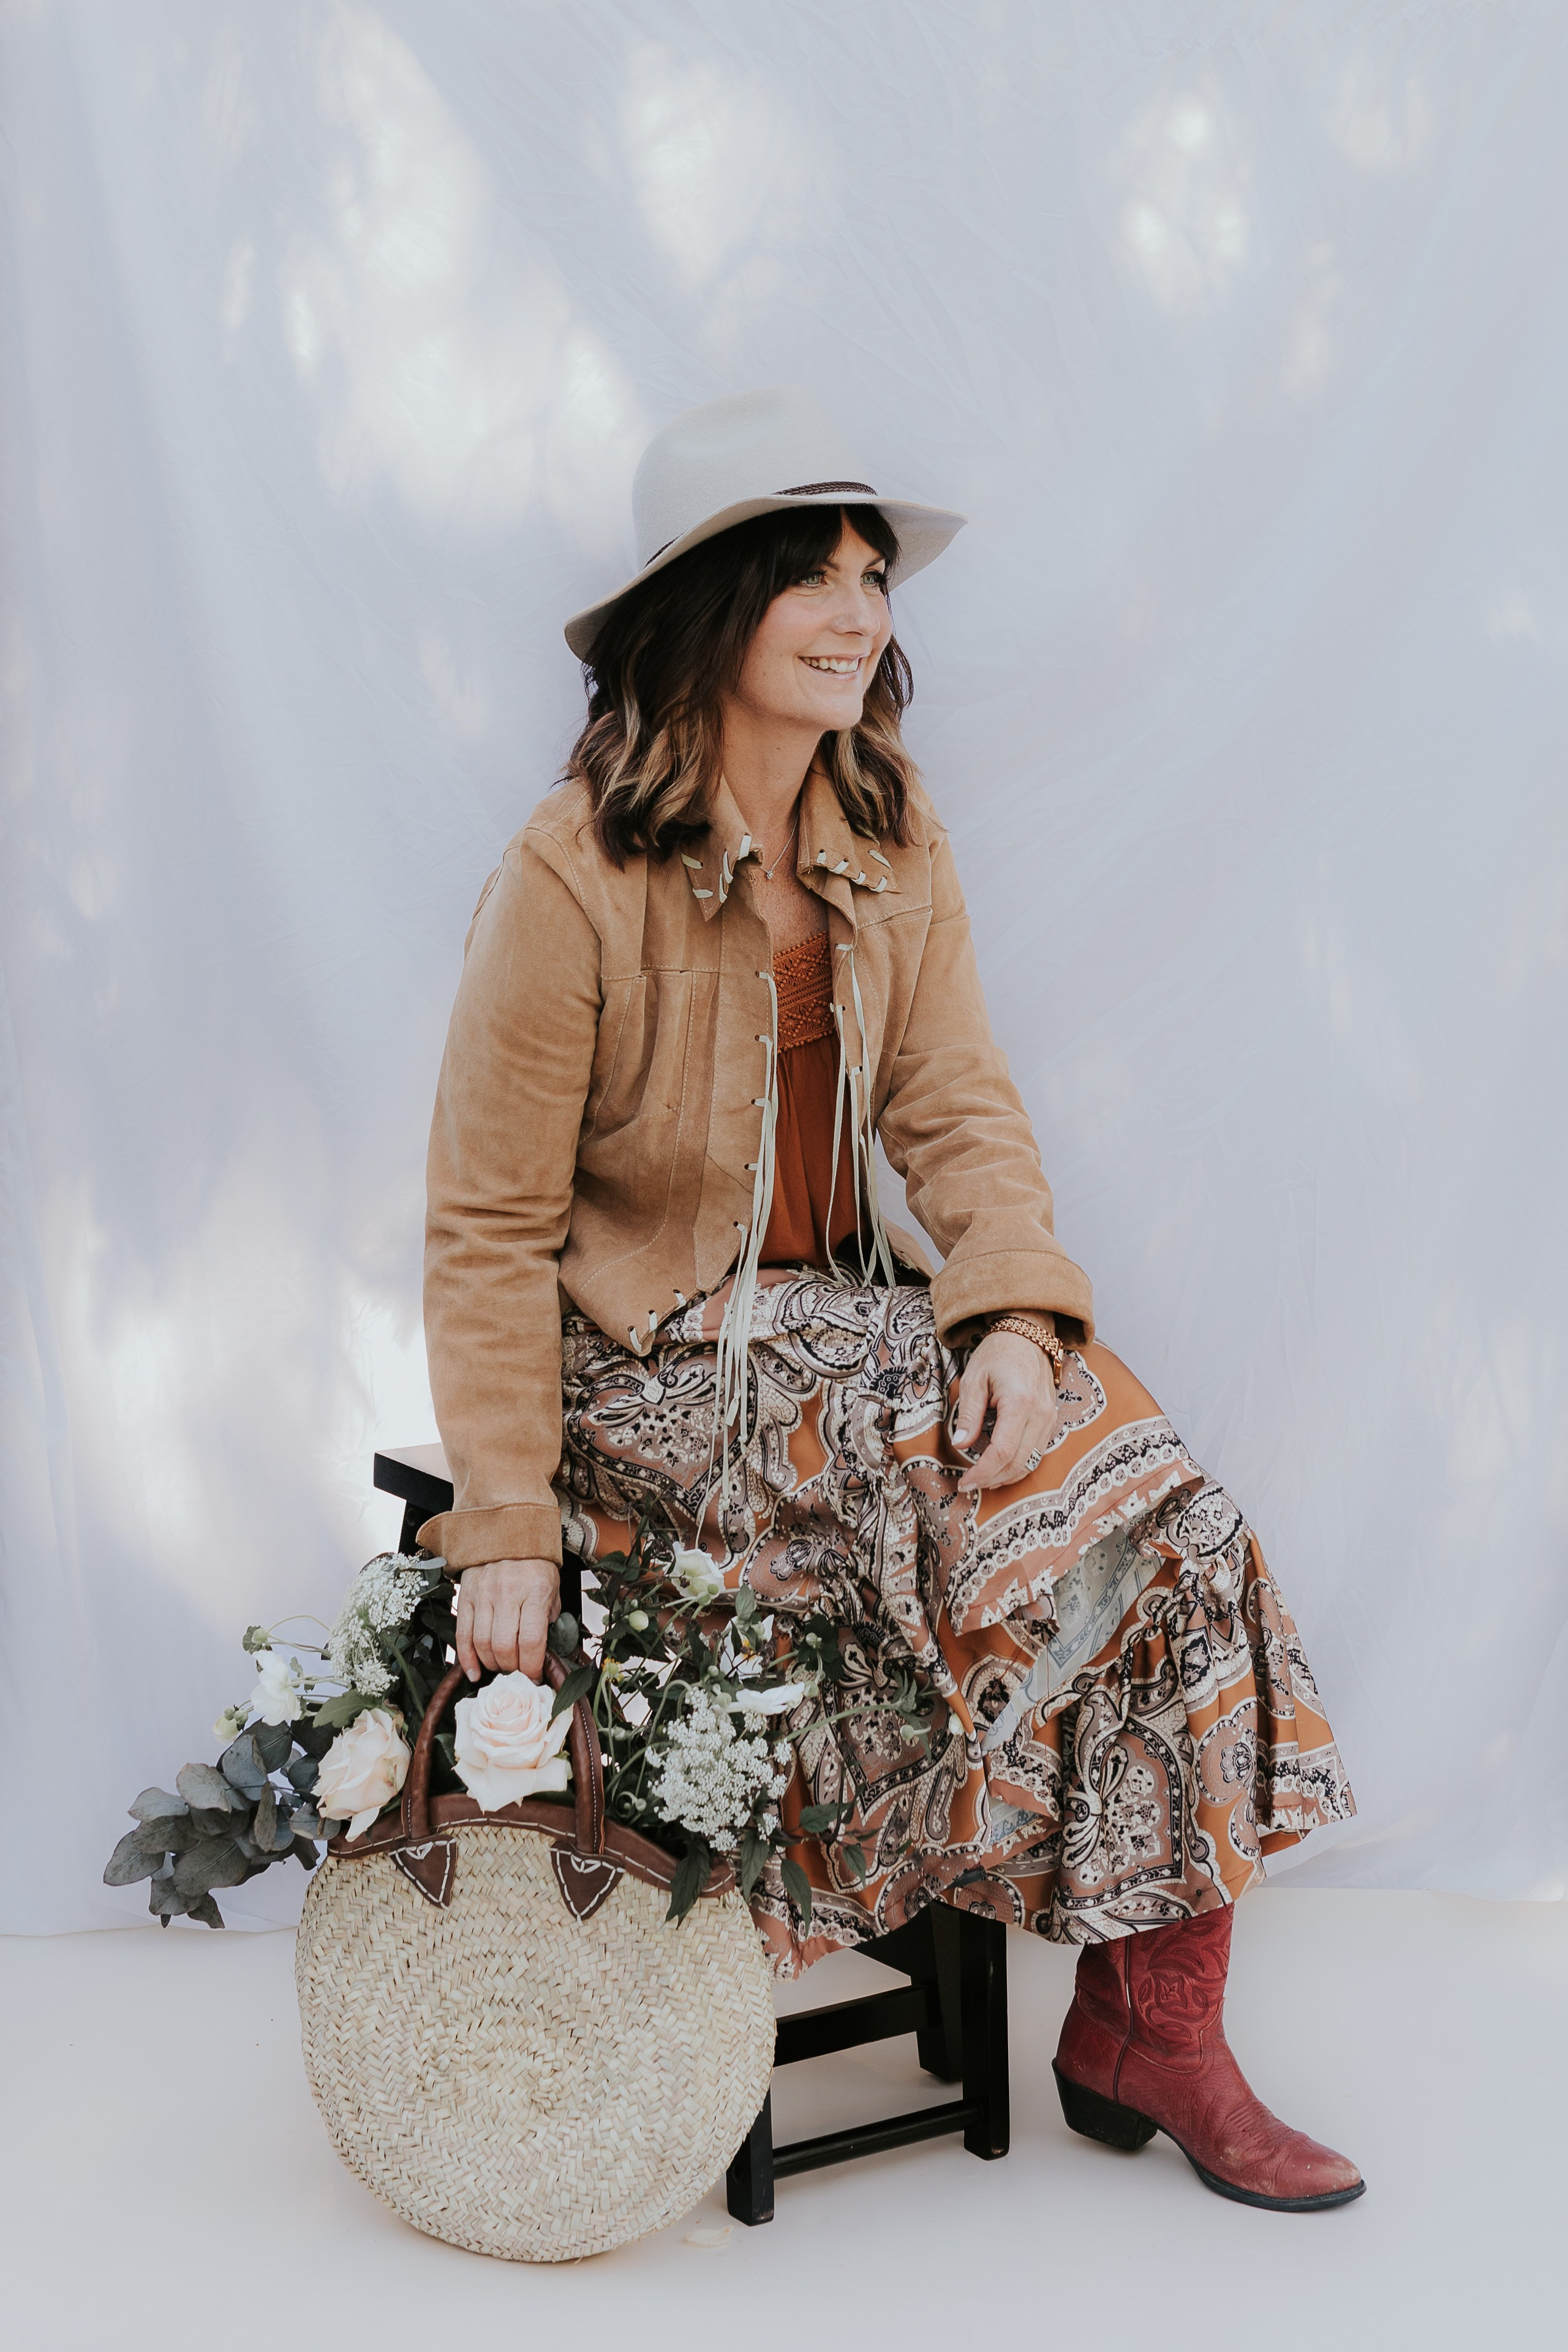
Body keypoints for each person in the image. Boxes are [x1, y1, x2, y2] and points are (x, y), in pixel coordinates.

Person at [418, 386, 1363, 2212]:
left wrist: (1013, 1314)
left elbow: (955, 1105)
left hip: (852, 1325)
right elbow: (483, 1223)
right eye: (820, 580)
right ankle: (865, 1905)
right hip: (649, 1360)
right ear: (716, 605)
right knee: (977, 1513)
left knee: (1168, 1511)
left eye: (875, 578)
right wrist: (507, 1519)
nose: (864, 613)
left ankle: (1159, 2026)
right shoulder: (570, 873)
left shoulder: (890, 822)